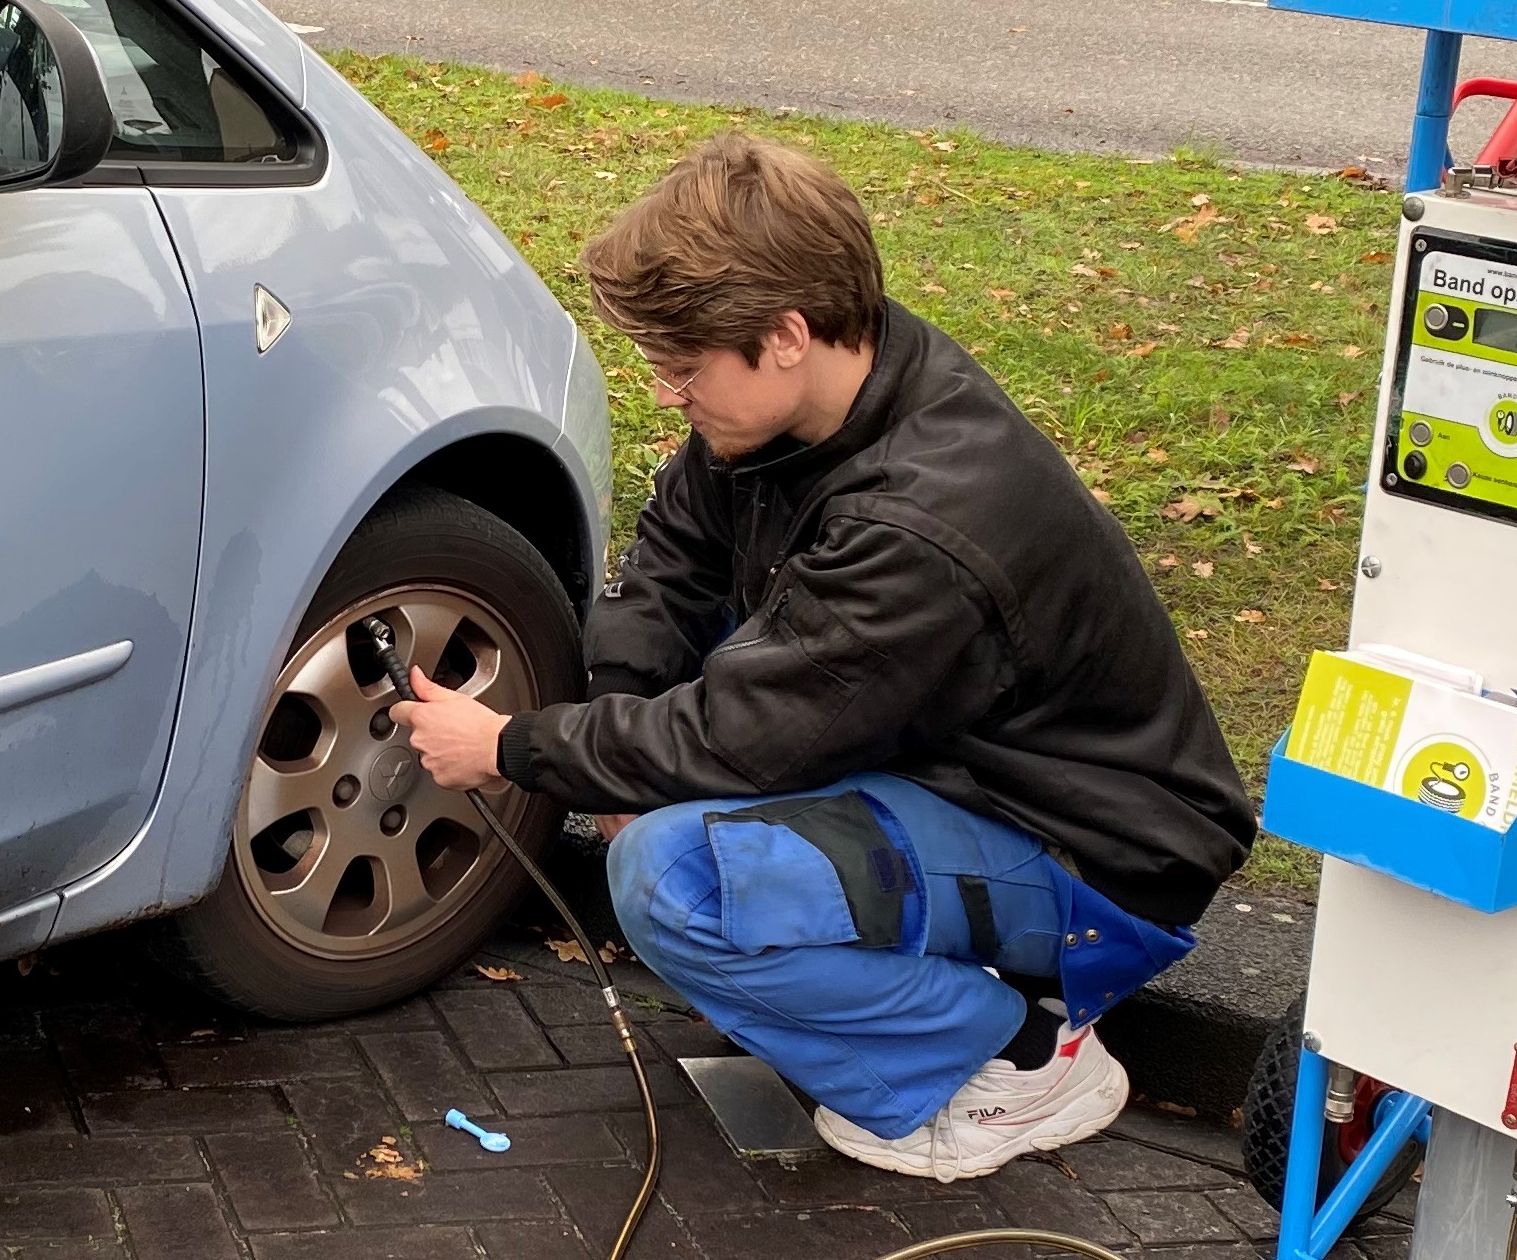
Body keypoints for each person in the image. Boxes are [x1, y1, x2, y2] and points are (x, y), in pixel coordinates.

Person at [391, 131, 1255, 1182]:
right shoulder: (812, 407)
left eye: (682, 364)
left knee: (677, 882)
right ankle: (921, 992)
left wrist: (516, 747)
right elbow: (669, 563)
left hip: (1095, 856)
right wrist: (616, 729)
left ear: (787, 334)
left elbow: (744, 736)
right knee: (667, 776)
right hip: (956, 764)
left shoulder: (924, 521)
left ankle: (1023, 1060)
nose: (667, 391)